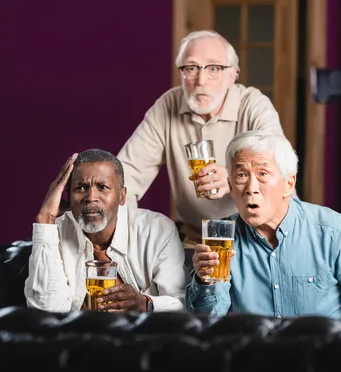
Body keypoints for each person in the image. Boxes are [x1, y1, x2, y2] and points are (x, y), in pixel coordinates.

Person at [185, 131, 341, 319]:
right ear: (231, 188)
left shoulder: (332, 231)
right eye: (241, 175)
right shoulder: (221, 238)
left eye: (262, 174)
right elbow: (208, 322)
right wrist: (205, 281)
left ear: (288, 184)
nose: (251, 188)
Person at [116, 30, 283, 270]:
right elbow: (125, 180)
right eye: (191, 68)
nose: (201, 81)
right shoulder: (168, 106)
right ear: (181, 74)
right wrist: (124, 241)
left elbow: (279, 164)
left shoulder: (253, 104)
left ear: (233, 75)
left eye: (213, 68)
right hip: (200, 240)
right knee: (173, 293)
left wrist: (234, 176)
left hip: (263, 235)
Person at [24, 149, 186, 314]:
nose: (91, 197)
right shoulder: (53, 232)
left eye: (102, 187)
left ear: (122, 196)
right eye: (81, 187)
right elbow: (45, 311)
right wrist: (45, 219)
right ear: (68, 197)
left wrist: (144, 304)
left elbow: (181, 302)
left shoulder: (157, 230)